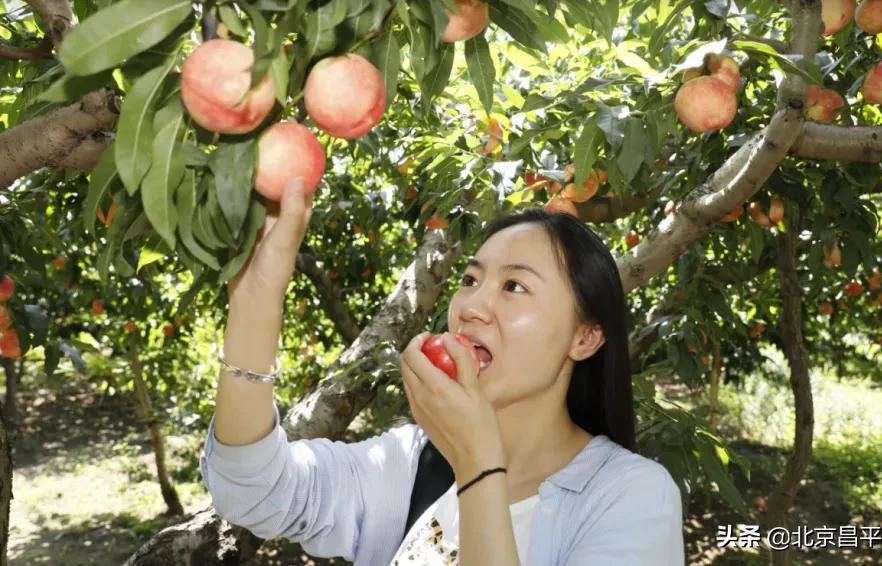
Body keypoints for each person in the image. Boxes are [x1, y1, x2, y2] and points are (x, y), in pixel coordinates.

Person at [201, 177, 685, 565]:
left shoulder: (631, 497)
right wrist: (255, 303)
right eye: (471, 279)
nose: (472, 306)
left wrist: (477, 463)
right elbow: (253, 490)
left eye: (514, 286)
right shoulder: (411, 462)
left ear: (585, 337)